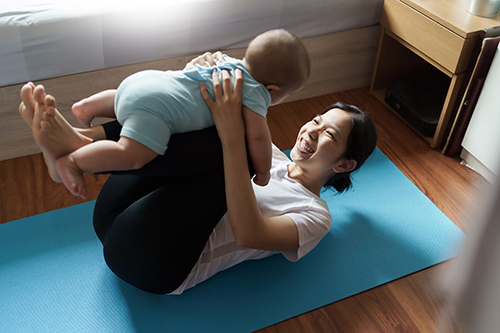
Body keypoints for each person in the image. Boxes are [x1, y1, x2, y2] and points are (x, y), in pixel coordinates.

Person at [19, 52, 377, 295]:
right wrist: (201, 78)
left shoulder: (316, 216)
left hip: (152, 262)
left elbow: (250, 233)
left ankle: (78, 147)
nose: (311, 131)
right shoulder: (267, 155)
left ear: (344, 165)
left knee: (231, 139)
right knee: (210, 121)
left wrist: (231, 130)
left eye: (328, 134)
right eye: (316, 120)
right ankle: (80, 143)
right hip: (115, 217)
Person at [50, 29, 310, 199]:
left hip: (145, 81)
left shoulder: (227, 61)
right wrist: (263, 171)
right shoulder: (255, 93)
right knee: (134, 154)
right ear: (273, 89)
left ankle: (86, 110)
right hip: (158, 107)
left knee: (123, 100)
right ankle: (74, 162)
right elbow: (257, 138)